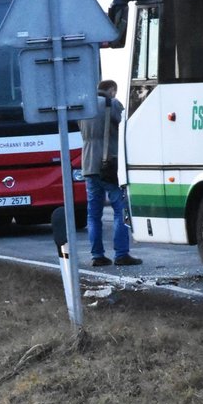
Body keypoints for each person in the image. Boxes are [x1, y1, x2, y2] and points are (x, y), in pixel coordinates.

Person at [79, 80, 142, 267]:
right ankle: (121, 254)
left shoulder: (83, 105)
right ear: (112, 90)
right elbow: (128, 125)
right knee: (120, 211)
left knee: (93, 214)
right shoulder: (111, 104)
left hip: (88, 165)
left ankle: (97, 255)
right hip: (109, 165)